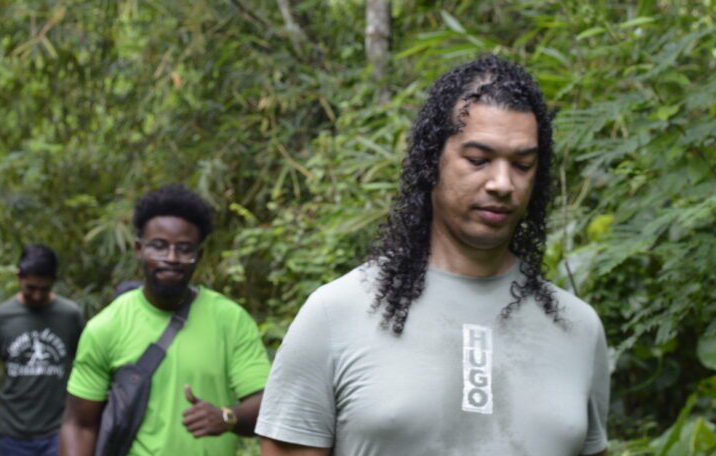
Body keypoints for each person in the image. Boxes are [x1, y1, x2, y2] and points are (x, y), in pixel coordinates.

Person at [256, 55, 610, 456]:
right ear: (431, 162)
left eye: (522, 165)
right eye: (478, 160)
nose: (502, 183)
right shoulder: (336, 314)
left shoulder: (579, 329)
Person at [60, 184, 271, 456]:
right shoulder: (106, 326)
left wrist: (227, 416)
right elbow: (79, 425)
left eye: (184, 249)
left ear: (199, 255)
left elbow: (267, 405)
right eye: (158, 247)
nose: (171, 258)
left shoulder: (230, 320)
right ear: (139, 249)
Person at [0, 244, 84, 456]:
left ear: (54, 281)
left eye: (44, 289)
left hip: (57, 430)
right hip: (12, 432)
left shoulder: (70, 315)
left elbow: (86, 366)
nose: (37, 296)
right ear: (19, 277)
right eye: (30, 288)